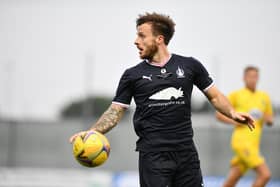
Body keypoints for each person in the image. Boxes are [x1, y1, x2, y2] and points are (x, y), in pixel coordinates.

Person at [70, 12, 254, 187]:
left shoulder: (190, 65)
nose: (136, 41)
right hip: (153, 156)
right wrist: (92, 132)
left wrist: (232, 112)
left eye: (142, 36)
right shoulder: (132, 75)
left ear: (159, 39)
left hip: (186, 153)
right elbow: (115, 111)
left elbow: (214, 96)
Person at [216, 66, 274, 187]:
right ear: (244, 78)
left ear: (258, 78)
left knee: (233, 178)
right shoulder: (236, 95)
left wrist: (267, 119)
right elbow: (219, 115)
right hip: (242, 143)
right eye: (250, 76)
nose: (253, 79)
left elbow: (270, 119)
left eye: (255, 76)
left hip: (254, 145)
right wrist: (236, 121)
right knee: (265, 175)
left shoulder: (264, 97)